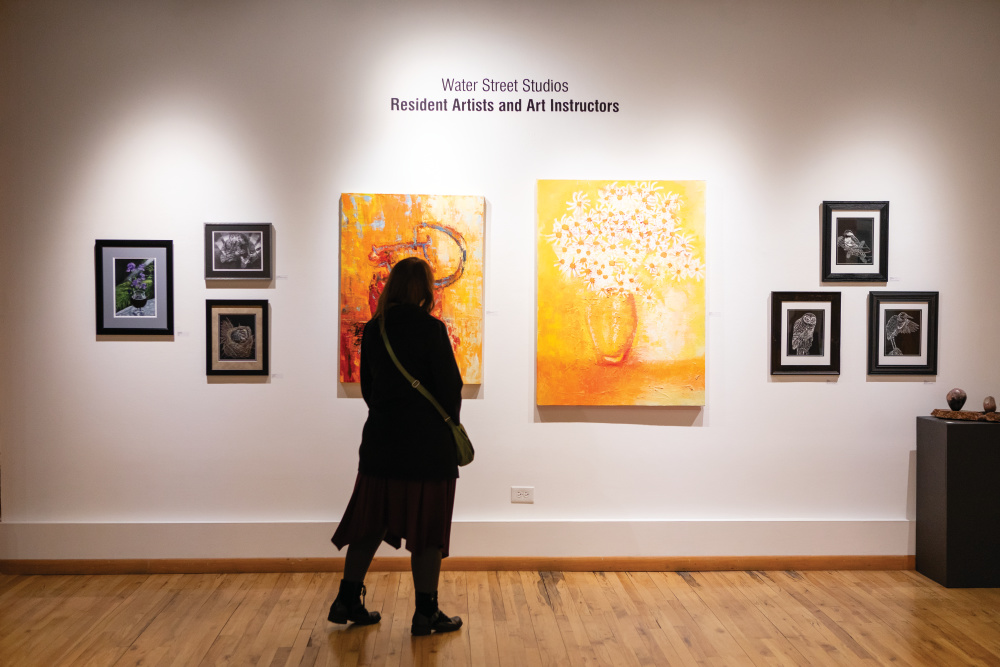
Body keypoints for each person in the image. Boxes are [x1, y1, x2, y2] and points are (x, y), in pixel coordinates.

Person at [329, 256, 464, 635]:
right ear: (424, 289)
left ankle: (347, 599)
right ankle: (426, 613)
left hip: (381, 442)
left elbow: (369, 389)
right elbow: (449, 389)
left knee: (369, 521)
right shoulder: (432, 330)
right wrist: (443, 424)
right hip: (427, 446)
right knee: (428, 528)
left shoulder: (375, 331)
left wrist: (390, 416)